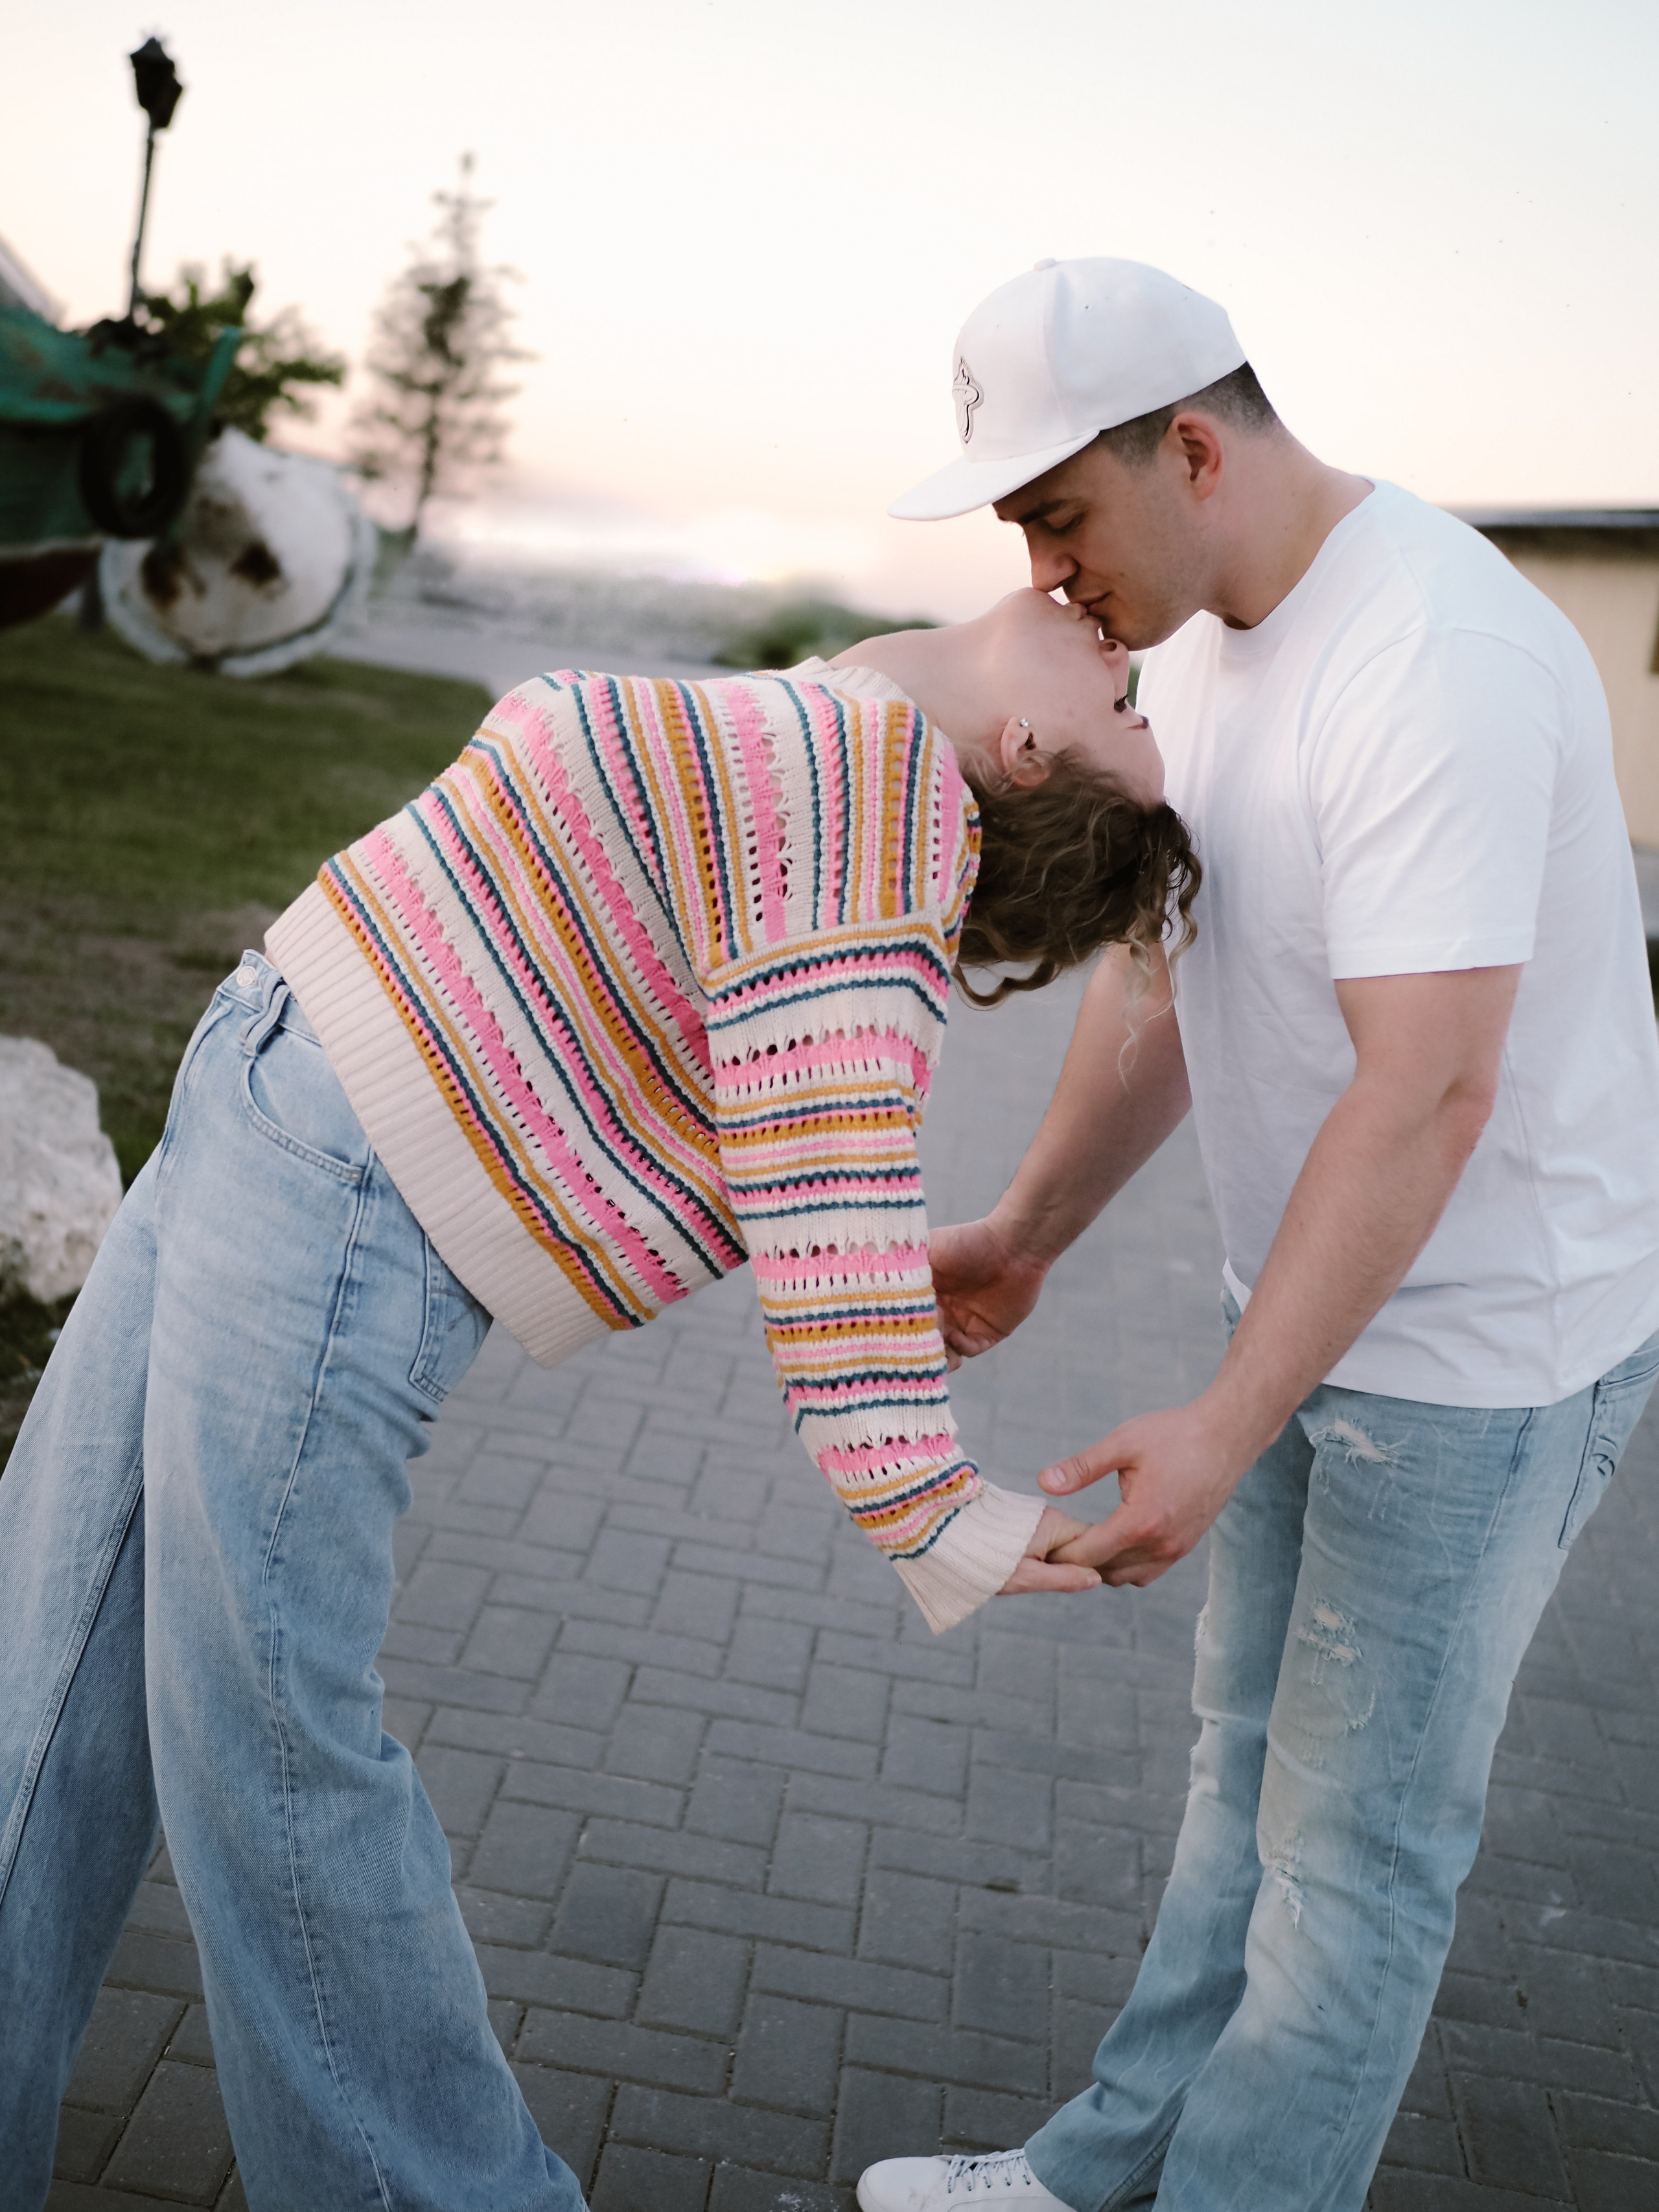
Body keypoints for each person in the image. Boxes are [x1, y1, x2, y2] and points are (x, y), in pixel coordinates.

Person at [0, 587, 1197, 2211]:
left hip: (331, 1218)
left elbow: (837, 1174)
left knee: (271, 1764)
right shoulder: (856, 725)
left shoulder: (880, 787)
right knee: (50, 1680)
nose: (1124, 662)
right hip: (256, 1110)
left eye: (1126, 716)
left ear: (1027, 749)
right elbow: (800, 1135)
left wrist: (942, 1514)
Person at [859, 257, 1659, 2212]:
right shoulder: (1199, 636)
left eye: (1057, 512)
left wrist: (1222, 1418)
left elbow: (1429, 1091)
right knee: (1241, 1773)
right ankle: (1096, 2168)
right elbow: (1157, 974)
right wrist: (1033, 1227)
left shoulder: (1437, 659)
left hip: (1479, 1364)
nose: (1042, 575)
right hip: (1298, 1311)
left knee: (1350, 1860)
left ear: (1193, 448)